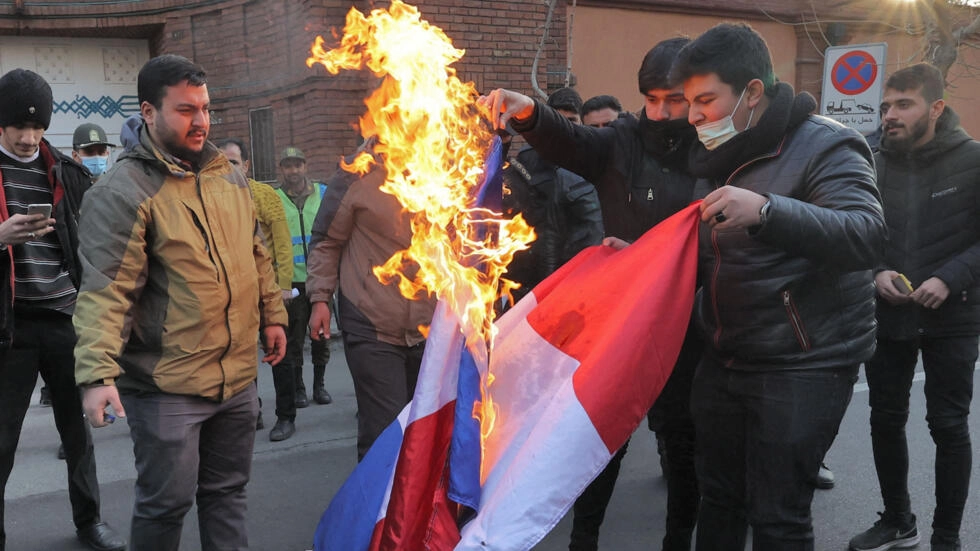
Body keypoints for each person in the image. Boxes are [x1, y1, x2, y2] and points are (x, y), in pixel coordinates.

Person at [480, 37, 703, 551]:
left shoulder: (713, 145)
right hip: (619, 322)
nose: (662, 113)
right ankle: (584, 539)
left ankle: (678, 540)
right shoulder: (621, 140)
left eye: (675, 101)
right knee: (598, 441)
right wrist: (532, 114)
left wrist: (655, 257)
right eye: (652, 100)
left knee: (682, 443)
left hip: (688, 324)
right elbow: (573, 143)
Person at [668, 23, 885, 550]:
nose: (693, 114)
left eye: (705, 100)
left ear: (753, 93)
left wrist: (768, 211)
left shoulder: (828, 144)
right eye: (687, 102)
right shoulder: (718, 154)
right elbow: (709, 251)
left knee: (777, 516)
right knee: (718, 499)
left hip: (803, 362)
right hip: (725, 356)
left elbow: (866, 233)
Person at [72, 54, 287, 551]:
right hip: (167, 387)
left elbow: (255, 253)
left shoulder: (225, 175)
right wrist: (98, 376)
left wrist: (273, 315)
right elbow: (106, 292)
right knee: (165, 506)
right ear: (148, 112)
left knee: (227, 495)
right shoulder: (122, 191)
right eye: (186, 110)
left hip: (236, 380)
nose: (202, 121)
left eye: (207, 108)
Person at [849, 63, 980, 551]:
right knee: (884, 417)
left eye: (904, 104)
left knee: (948, 425)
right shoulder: (871, 160)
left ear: (936, 108)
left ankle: (946, 537)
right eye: (885, 106)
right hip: (889, 312)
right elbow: (857, 228)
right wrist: (875, 270)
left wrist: (951, 276)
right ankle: (898, 521)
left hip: (955, 314)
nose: (889, 115)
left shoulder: (973, 159)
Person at [0, 68, 127, 551]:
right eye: (18, 129)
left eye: (37, 128)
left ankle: (90, 520)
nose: (29, 138)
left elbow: (96, 247)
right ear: (1, 125)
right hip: (9, 326)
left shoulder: (66, 173)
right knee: (2, 441)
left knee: (78, 431)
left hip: (64, 318)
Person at [306, 138, 437, 460]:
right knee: (385, 434)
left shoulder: (443, 168)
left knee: (427, 432)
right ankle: (376, 508)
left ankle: (419, 509)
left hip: (431, 327)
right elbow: (325, 241)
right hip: (371, 324)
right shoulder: (354, 173)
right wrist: (320, 298)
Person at [38, 121, 120, 413]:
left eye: (101, 150)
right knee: (75, 354)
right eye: (90, 151)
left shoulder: (117, 188)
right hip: (78, 282)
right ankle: (76, 421)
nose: (97, 156)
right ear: (75, 155)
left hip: (111, 279)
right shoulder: (69, 189)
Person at [216, 137, 294, 432]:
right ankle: (252, 413)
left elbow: (283, 244)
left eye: (233, 163)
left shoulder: (264, 195)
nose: (227, 169)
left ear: (246, 166)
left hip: (270, 290)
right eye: (221, 164)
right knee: (242, 357)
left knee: (280, 354)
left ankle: (286, 416)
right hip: (236, 295)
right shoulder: (213, 198)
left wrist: (283, 285)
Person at [502, 87, 604, 303]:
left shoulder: (595, 166)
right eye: (558, 120)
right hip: (525, 290)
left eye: (571, 121)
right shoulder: (523, 165)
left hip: (574, 285)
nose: (564, 128)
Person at [269, 146, 333, 442]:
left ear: (305, 166)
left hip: (320, 278)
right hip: (291, 281)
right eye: (287, 166)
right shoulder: (275, 198)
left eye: (297, 165)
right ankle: (298, 389)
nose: (293, 171)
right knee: (294, 339)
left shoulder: (322, 192)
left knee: (321, 335)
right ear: (281, 169)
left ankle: (319, 384)